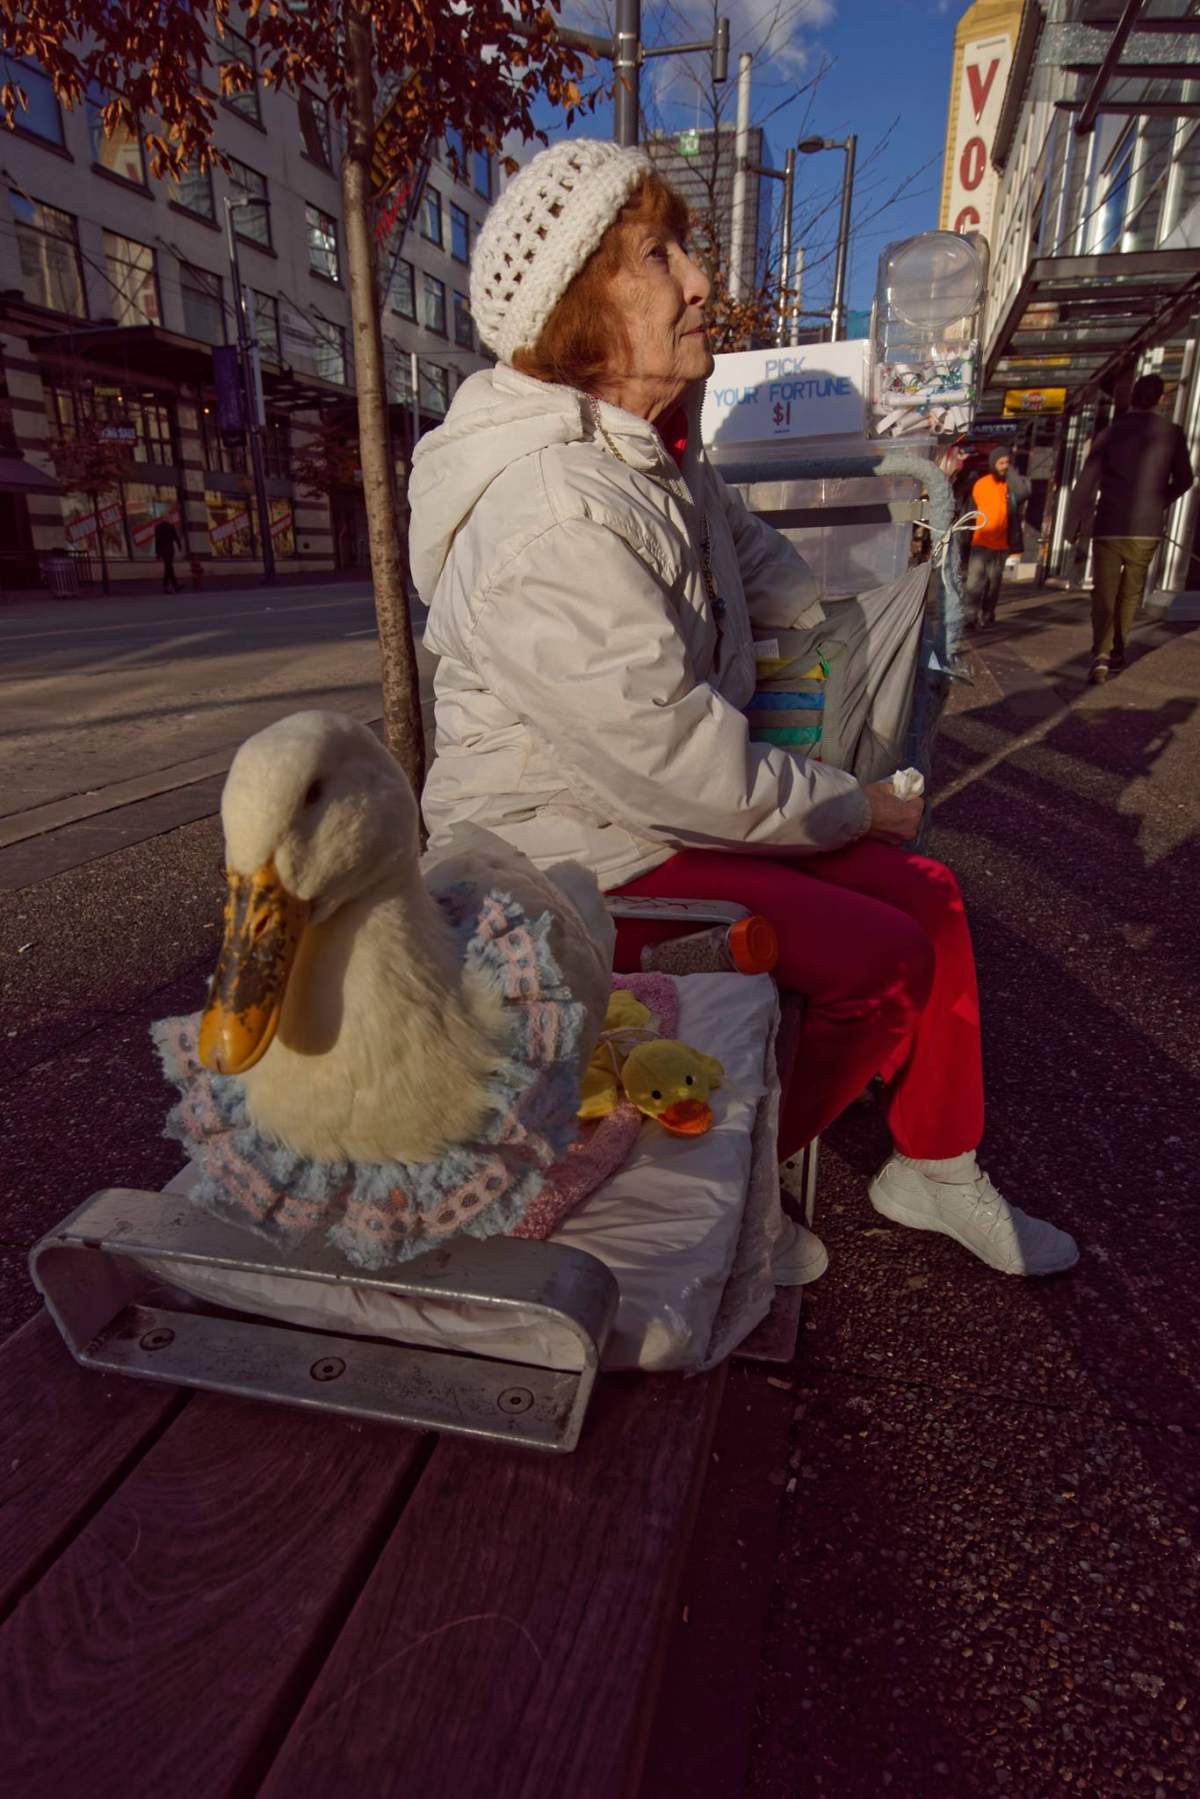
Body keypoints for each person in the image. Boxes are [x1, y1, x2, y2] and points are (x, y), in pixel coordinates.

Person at [409, 140, 1077, 1284]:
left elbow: (743, 554)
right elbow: (675, 768)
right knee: (879, 951)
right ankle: (716, 1183)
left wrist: (844, 614)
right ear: (577, 314)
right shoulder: (554, 513)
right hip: (562, 863)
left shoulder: (647, 458)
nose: (700, 280)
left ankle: (934, 1157)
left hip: (635, 822)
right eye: (656, 256)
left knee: (936, 895)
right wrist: (852, 805)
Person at [1065, 372, 1195, 685]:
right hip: (1146, 530)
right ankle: (1118, 650)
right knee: (1130, 593)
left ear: (1132, 398)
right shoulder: (1173, 433)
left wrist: (1073, 525)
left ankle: (1102, 653)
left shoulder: (1110, 433)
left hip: (1110, 525)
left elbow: (1085, 484)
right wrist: (1159, 502)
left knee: (1105, 593)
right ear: (1161, 400)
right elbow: (1186, 480)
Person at [964, 446, 1029, 629]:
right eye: (1001, 463)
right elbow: (970, 511)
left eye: (1007, 463)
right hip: (980, 542)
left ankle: (987, 614)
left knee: (993, 586)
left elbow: (1024, 492)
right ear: (993, 464)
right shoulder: (981, 484)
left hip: (1001, 545)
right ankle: (970, 617)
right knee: (974, 583)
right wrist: (964, 538)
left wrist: (1011, 473)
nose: (1004, 466)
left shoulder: (1010, 486)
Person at [154, 516, 182, 594]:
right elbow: (176, 537)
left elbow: (157, 541)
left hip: (163, 551)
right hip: (170, 550)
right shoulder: (170, 526)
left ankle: (174, 585)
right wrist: (179, 545)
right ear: (167, 519)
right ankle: (168, 586)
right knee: (168, 567)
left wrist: (157, 553)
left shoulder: (157, 527)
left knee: (169, 567)